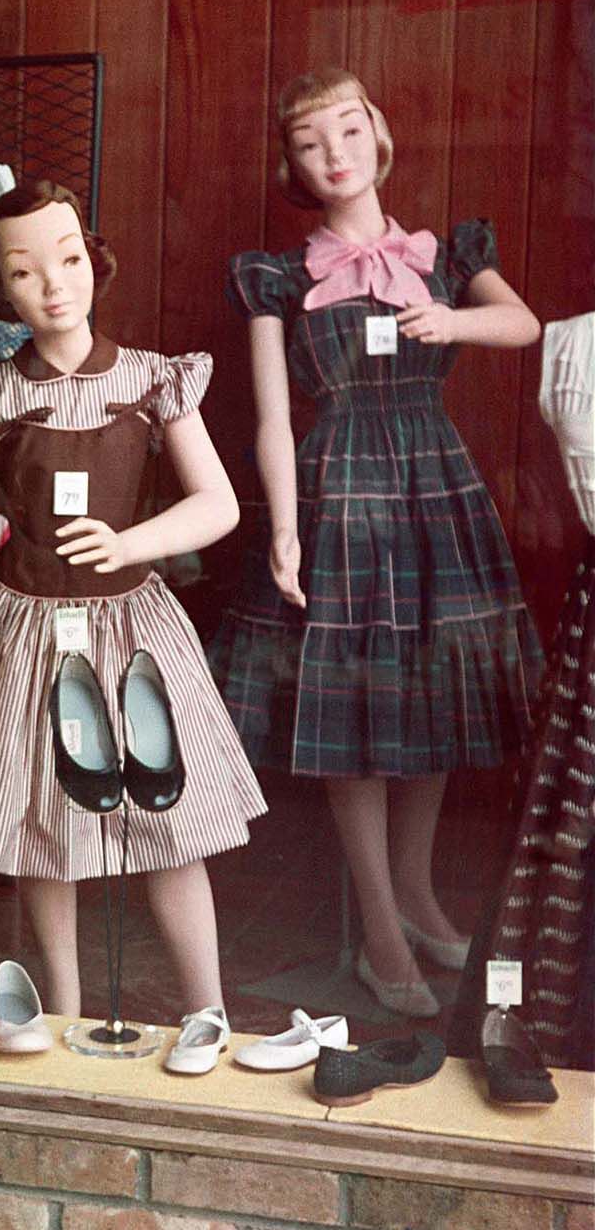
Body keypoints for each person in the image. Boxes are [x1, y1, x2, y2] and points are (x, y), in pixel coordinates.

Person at [0, 182, 264, 1029]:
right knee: (41, 816)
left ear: (93, 259)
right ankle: (60, 1007)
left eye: (67, 260)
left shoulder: (151, 379)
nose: (54, 285)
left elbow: (219, 504)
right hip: (24, 621)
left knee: (171, 817)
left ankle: (210, 1009)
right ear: (2, 290)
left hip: (130, 620)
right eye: (25, 272)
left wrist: (131, 543)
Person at [208, 68, 541, 1018]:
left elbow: (521, 324)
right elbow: (274, 419)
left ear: (377, 133)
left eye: (348, 133)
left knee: (429, 690)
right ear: (294, 165)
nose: (335, 156)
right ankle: (381, 934)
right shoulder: (276, 275)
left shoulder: (445, 252)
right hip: (338, 490)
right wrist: (281, 526)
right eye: (312, 144)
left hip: (433, 480)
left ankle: (420, 894)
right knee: (353, 704)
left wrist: (453, 317)